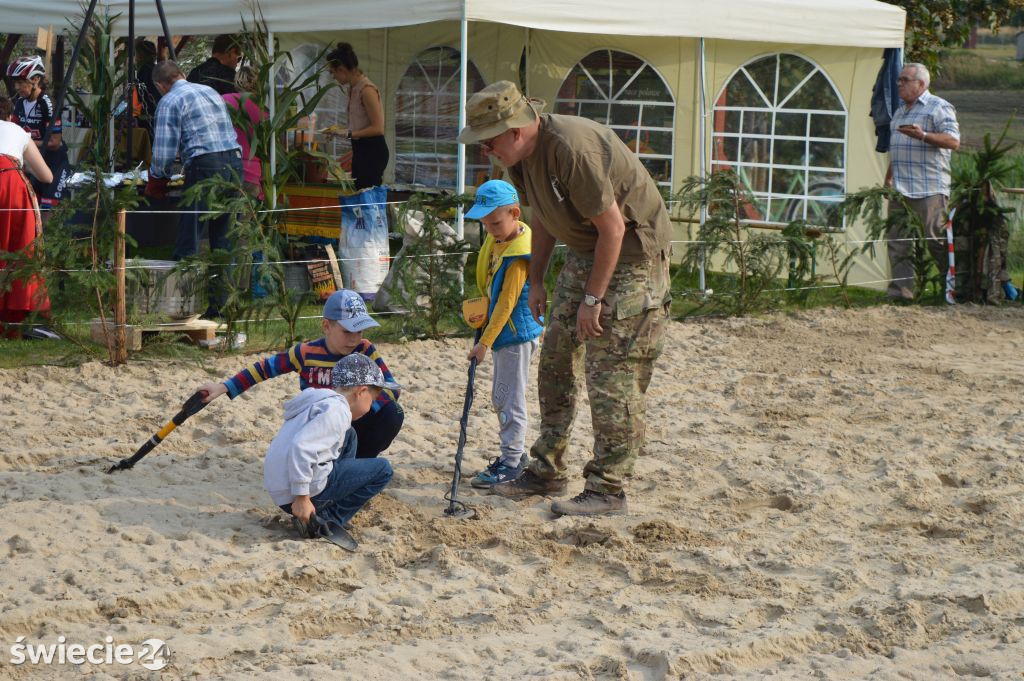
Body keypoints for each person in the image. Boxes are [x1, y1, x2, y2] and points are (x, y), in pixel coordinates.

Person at [458, 81, 672, 517]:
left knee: (610, 371)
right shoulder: (519, 159)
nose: (484, 150)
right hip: (586, 249)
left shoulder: (572, 151)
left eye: (488, 140)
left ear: (515, 130)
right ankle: (547, 469)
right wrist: (537, 279)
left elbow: (613, 229)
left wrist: (592, 300)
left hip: (632, 254)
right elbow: (545, 215)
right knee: (556, 356)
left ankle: (608, 489)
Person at [197, 289, 404, 459]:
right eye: (347, 331)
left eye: (359, 331)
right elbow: (264, 369)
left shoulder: (365, 350)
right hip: (318, 428)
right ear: (326, 326)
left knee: (393, 413)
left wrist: (363, 408)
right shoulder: (306, 353)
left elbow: (391, 387)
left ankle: (360, 461)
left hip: (354, 423)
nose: (354, 339)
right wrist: (224, 387)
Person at [264, 352, 397, 549]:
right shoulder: (337, 411)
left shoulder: (321, 401)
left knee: (349, 434)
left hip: (281, 487)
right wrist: (302, 498)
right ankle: (325, 518)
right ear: (361, 392)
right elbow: (301, 446)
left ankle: (322, 504)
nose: (370, 408)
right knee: (383, 469)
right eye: (372, 400)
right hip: (296, 495)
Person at [464, 180, 544, 488]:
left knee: (508, 398)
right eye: (485, 223)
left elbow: (508, 304)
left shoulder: (519, 255)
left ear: (514, 212)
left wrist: (484, 343)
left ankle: (511, 463)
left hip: (515, 334)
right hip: (500, 332)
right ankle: (513, 454)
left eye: (495, 222)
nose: (490, 228)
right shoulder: (498, 238)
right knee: (503, 396)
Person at [146, 60, 242, 316]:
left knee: (189, 238)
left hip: (205, 166)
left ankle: (179, 307)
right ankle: (221, 308)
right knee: (224, 240)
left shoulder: (169, 101)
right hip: (233, 163)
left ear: (160, 85)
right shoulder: (209, 91)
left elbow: (164, 150)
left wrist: (157, 179)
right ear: (183, 74)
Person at [885, 62, 960, 300]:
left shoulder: (938, 107)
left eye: (904, 80)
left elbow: (953, 141)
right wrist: (888, 177)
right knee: (897, 242)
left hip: (929, 188)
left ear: (921, 84)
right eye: (899, 80)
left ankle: (951, 289)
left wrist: (924, 135)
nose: (899, 84)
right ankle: (901, 294)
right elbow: (896, 147)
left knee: (936, 240)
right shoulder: (900, 111)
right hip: (900, 188)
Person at [0, 95, 53, 338]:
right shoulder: (18, 131)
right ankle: (13, 317)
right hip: (12, 185)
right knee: (18, 247)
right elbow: (47, 176)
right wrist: (21, 163)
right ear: (10, 115)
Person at [7, 55, 69, 213]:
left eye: (21, 82)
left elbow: (55, 142)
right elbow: (14, 131)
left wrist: (26, 142)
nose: (17, 87)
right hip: (33, 162)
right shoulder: (20, 102)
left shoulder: (47, 103)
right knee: (29, 210)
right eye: (16, 83)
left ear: (35, 79)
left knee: (48, 212)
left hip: (54, 163)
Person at [325, 42, 387, 189]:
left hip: (372, 151)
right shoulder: (353, 88)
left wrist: (348, 134)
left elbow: (378, 128)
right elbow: (359, 124)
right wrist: (338, 131)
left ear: (341, 69)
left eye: (332, 72)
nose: (333, 77)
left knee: (366, 196)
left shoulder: (366, 90)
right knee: (359, 193)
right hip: (360, 149)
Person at [222, 65, 267, 198]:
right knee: (246, 217)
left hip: (224, 170)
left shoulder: (222, 100)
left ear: (237, 80)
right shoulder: (263, 109)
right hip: (253, 174)